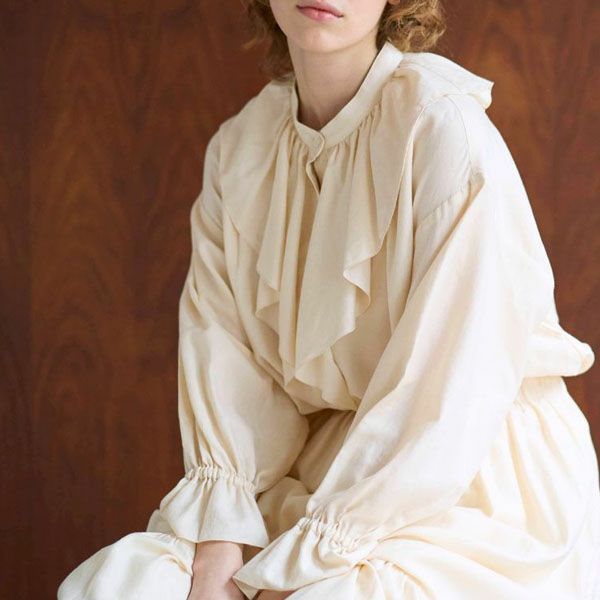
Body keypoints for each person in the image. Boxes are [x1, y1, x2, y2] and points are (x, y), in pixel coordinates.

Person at [57, 0, 600, 599]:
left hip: (474, 481)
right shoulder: (239, 149)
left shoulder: (443, 130)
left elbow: (449, 397)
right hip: (326, 470)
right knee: (132, 585)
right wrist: (218, 545)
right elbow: (227, 361)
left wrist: (298, 568)